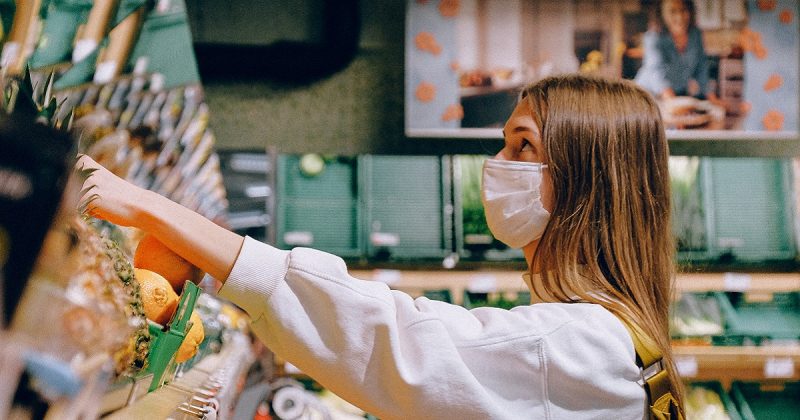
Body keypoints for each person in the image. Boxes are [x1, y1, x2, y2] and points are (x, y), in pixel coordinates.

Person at [78, 74, 684, 419]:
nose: (495, 164)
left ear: (587, 176)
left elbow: (391, 337)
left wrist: (147, 205)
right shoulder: (618, 336)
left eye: (522, 146)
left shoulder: (576, 346)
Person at [634, 0, 717, 101]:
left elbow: (701, 69)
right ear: (662, 14)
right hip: (647, 96)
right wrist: (673, 103)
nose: (680, 17)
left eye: (683, 10)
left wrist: (713, 99)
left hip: (677, 94)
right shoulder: (653, 37)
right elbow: (656, 72)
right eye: (673, 11)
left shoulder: (695, 35)